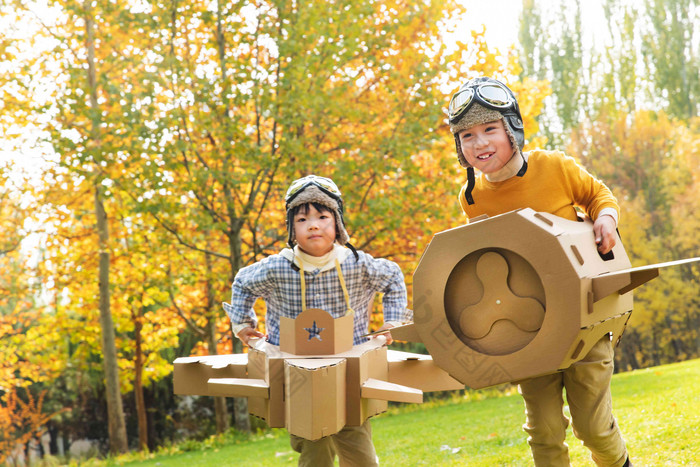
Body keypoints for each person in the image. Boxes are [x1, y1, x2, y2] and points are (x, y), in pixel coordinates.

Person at [447, 76, 631, 467]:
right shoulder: (471, 198)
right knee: (544, 432)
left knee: (593, 428)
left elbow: (599, 195)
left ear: (512, 129)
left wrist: (607, 219)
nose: (479, 143)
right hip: (528, 330)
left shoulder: (554, 167)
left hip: (585, 319)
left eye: (489, 129)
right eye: (467, 136)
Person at [223, 174, 410, 467]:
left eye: (322, 216)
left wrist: (393, 322)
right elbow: (243, 283)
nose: (313, 225)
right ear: (291, 228)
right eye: (301, 219)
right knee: (313, 451)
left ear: (337, 224)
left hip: (349, 373)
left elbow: (394, 277)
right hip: (296, 378)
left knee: (360, 453)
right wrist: (243, 324)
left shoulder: (357, 265)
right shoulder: (277, 268)